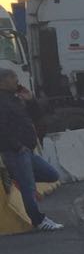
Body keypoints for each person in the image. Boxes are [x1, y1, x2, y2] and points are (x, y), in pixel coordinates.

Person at [0, 69, 62, 231]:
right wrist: (17, 146)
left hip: (27, 150)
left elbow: (36, 117)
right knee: (28, 188)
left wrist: (31, 100)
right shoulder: (2, 102)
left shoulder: (15, 99)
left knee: (51, 174)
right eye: (12, 77)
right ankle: (39, 220)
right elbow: (1, 129)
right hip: (15, 152)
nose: (16, 80)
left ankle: (17, 176)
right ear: (2, 83)